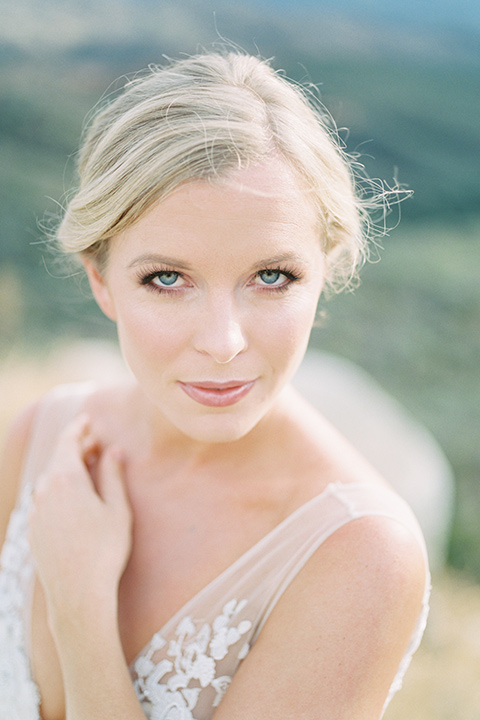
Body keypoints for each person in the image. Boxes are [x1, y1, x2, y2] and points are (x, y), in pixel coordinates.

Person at [0, 52, 430, 720]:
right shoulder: (37, 438)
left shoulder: (362, 553)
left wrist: (79, 609)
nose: (223, 341)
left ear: (325, 275)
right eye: (167, 278)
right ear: (100, 278)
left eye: (272, 276)